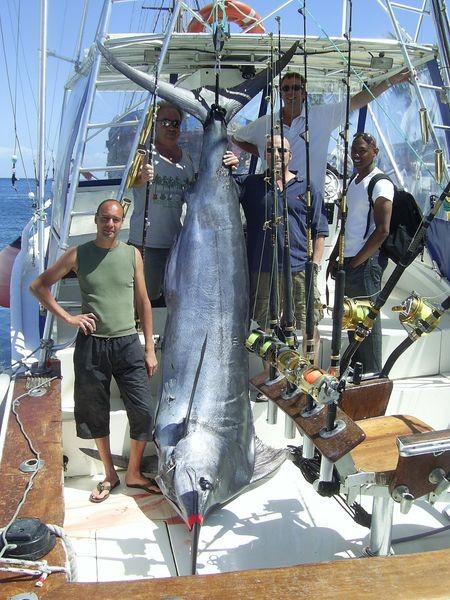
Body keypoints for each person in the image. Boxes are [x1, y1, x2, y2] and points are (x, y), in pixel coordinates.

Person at [30, 199, 160, 503]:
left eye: (115, 220)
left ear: (122, 222)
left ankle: (134, 473)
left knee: (143, 409)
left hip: (128, 343)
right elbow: (38, 286)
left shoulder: (132, 255)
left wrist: (149, 348)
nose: (110, 225)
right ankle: (110, 475)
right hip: (92, 345)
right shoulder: (78, 254)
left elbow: (143, 301)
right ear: (96, 219)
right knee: (94, 412)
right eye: (105, 218)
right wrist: (69, 318)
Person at [232, 69, 411, 196]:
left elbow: (357, 101)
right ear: (281, 93)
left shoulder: (322, 116)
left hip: (309, 199)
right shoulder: (265, 122)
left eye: (296, 88)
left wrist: (390, 82)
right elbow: (236, 137)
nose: (291, 92)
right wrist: (263, 152)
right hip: (273, 196)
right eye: (286, 88)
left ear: (304, 93)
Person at [238, 135, 328, 360]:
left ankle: (310, 372)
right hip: (262, 270)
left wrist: (315, 265)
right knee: (265, 326)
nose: (277, 155)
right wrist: (227, 162)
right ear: (264, 155)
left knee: (308, 323)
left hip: (299, 269)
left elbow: (320, 231)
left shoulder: (308, 187)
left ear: (290, 155)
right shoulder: (249, 184)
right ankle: (272, 374)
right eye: (271, 150)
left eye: (282, 151)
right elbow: (219, 183)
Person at [327, 132, 394, 374]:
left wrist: (356, 261)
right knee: (350, 319)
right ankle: (357, 372)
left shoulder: (380, 183)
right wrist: (334, 257)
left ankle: (373, 376)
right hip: (348, 262)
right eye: (354, 150)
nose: (356, 154)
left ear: (375, 152)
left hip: (366, 264)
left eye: (362, 150)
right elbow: (346, 224)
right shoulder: (354, 182)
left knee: (367, 324)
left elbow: (383, 230)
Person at [129, 102, 196, 301]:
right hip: (145, 244)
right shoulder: (143, 154)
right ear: (155, 125)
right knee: (144, 297)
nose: (171, 127)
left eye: (176, 123)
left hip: (176, 244)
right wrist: (141, 177)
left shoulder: (187, 160)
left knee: (176, 298)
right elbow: (132, 182)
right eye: (165, 122)